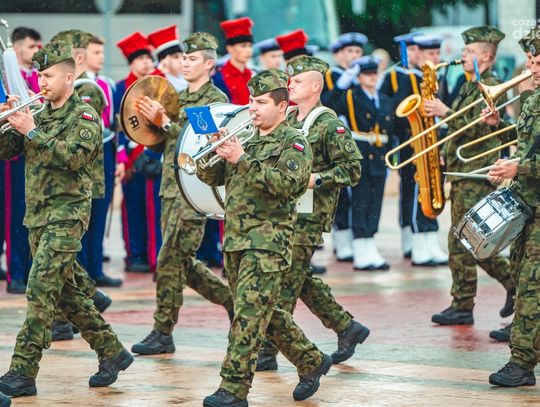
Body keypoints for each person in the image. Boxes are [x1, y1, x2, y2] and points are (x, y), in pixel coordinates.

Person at [0, 40, 132, 398]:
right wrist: (11, 122)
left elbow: (73, 158)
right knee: (67, 295)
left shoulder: (84, 116)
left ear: (69, 77)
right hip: (38, 217)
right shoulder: (39, 113)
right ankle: (112, 351)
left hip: (67, 216)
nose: (41, 83)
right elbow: (9, 152)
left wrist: (31, 130)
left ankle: (23, 371)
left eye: (48, 76)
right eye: (40, 76)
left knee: (40, 292)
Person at [199, 69, 332, 406]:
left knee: (247, 317)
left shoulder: (295, 142)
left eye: (260, 102)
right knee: (264, 313)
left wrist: (242, 159)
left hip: (268, 244)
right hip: (236, 241)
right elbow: (210, 176)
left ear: (282, 106)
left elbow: (288, 185)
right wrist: (213, 147)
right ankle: (311, 360)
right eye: (250, 101)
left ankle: (233, 388)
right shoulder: (247, 139)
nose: (252, 108)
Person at [256, 55, 369, 372]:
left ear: (316, 86)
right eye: (289, 80)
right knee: (299, 278)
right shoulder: (289, 118)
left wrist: (317, 179)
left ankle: (267, 351)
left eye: (298, 81)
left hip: (309, 216)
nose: (290, 85)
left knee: (284, 285)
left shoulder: (329, 124)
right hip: (284, 212)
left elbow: (352, 170)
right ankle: (347, 327)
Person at [130, 32, 234, 356]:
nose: (185, 64)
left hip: (193, 191)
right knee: (181, 262)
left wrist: (165, 123)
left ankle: (163, 331)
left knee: (169, 260)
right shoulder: (178, 98)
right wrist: (149, 122)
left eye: (192, 59)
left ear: (209, 64)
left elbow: (201, 145)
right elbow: (165, 141)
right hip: (170, 188)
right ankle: (231, 300)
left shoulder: (211, 100)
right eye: (183, 58)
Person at [424, 26, 516, 325]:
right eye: (464, 51)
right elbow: (460, 131)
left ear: (486, 56)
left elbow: (478, 129)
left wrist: (444, 111)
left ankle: (509, 286)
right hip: (462, 171)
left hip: (476, 173)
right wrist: (443, 151)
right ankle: (464, 303)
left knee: (467, 240)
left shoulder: (491, 85)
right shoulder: (469, 85)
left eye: (470, 51)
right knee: (463, 240)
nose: (463, 55)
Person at [487, 31, 540, 388]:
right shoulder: (534, 99)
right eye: (531, 61)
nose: (531, 68)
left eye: (538, 62)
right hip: (527, 206)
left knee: (531, 287)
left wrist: (519, 168)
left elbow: (528, 160)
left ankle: (520, 363)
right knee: (523, 280)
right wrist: (500, 127)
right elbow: (528, 146)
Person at [330, 56, 395, 270]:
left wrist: (390, 158)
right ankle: (360, 249)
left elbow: (391, 130)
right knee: (360, 201)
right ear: (358, 77)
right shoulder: (351, 96)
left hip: (379, 154)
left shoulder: (384, 99)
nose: (372, 78)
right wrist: (341, 85)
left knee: (375, 202)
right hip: (360, 153)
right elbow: (330, 105)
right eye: (367, 74)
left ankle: (370, 245)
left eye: (375, 74)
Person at [113, 32, 160, 274]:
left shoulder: (157, 85)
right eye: (140, 59)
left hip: (153, 155)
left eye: (148, 58)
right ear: (131, 63)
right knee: (132, 208)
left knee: (154, 209)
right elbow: (117, 126)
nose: (146, 63)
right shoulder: (121, 87)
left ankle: (154, 254)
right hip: (131, 159)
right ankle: (135, 254)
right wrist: (122, 159)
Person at [2, 27, 41, 293]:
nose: (36, 51)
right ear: (16, 48)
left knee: (30, 213)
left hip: (34, 151)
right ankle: (15, 272)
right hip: (13, 152)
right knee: (14, 213)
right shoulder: (6, 75)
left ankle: (28, 269)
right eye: (31, 47)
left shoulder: (38, 76)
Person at [85, 35, 120, 270]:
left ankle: (96, 267)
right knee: (83, 212)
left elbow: (115, 124)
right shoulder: (77, 83)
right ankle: (83, 269)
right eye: (96, 52)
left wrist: (121, 159)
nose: (102, 57)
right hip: (85, 155)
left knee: (101, 210)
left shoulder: (107, 84)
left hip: (106, 150)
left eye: (102, 52)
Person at [148, 25, 188, 91]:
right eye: (176, 57)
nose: (181, 61)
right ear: (163, 61)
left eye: (182, 56)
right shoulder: (158, 82)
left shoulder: (189, 78)